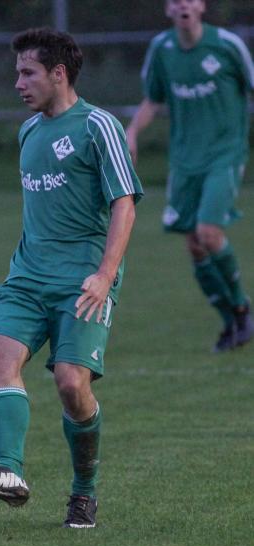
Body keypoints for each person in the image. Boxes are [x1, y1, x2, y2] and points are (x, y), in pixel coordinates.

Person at [0, 29, 143, 529]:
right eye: (18, 72)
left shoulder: (98, 126)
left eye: (27, 72)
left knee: (70, 385)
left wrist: (105, 276)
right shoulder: (28, 131)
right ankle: (10, 473)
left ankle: (84, 493)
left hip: (83, 280)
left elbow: (123, 203)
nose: (18, 82)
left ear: (57, 74)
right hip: (27, 275)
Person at [126, 0, 253, 352]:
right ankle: (231, 324)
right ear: (168, 9)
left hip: (224, 154)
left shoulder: (226, 45)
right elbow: (152, 100)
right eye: (175, 0)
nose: (183, 4)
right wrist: (132, 132)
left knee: (208, 232)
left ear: (201, 6)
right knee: (194, 245)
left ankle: (242, 307)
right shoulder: (161, 49)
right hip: (184, 161)